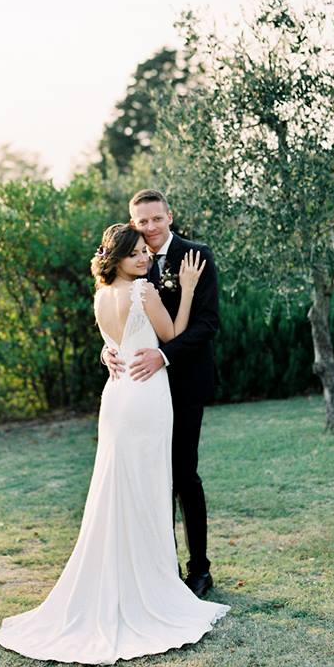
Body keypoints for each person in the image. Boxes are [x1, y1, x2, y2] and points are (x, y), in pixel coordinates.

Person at [0, 223, 228, 664]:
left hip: (117, 397)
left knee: (118, 488)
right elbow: (174, 335)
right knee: (148, 488)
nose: (144, 259)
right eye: (135, 253)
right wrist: (189, 289)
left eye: (145, 253)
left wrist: (107, 351)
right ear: (117, 258)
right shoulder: (143, 291)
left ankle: (124, 579)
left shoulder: (100, 294)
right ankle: (150, 585)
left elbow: (114, 342)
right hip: (146, 395)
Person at [103, 189, 219, 598]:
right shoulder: (131, 258)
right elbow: (117, 316)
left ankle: (199, 569)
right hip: (140, 389)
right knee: (151, 478)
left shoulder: (196, 256)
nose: (150, 228)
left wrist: (164, 356)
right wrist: (107, 350)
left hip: (183, 384)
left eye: (156, 219)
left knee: (184, 474)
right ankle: (160, 569)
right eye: (142, 222)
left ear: (169, 216)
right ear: (132, 223)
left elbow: (207, 323)